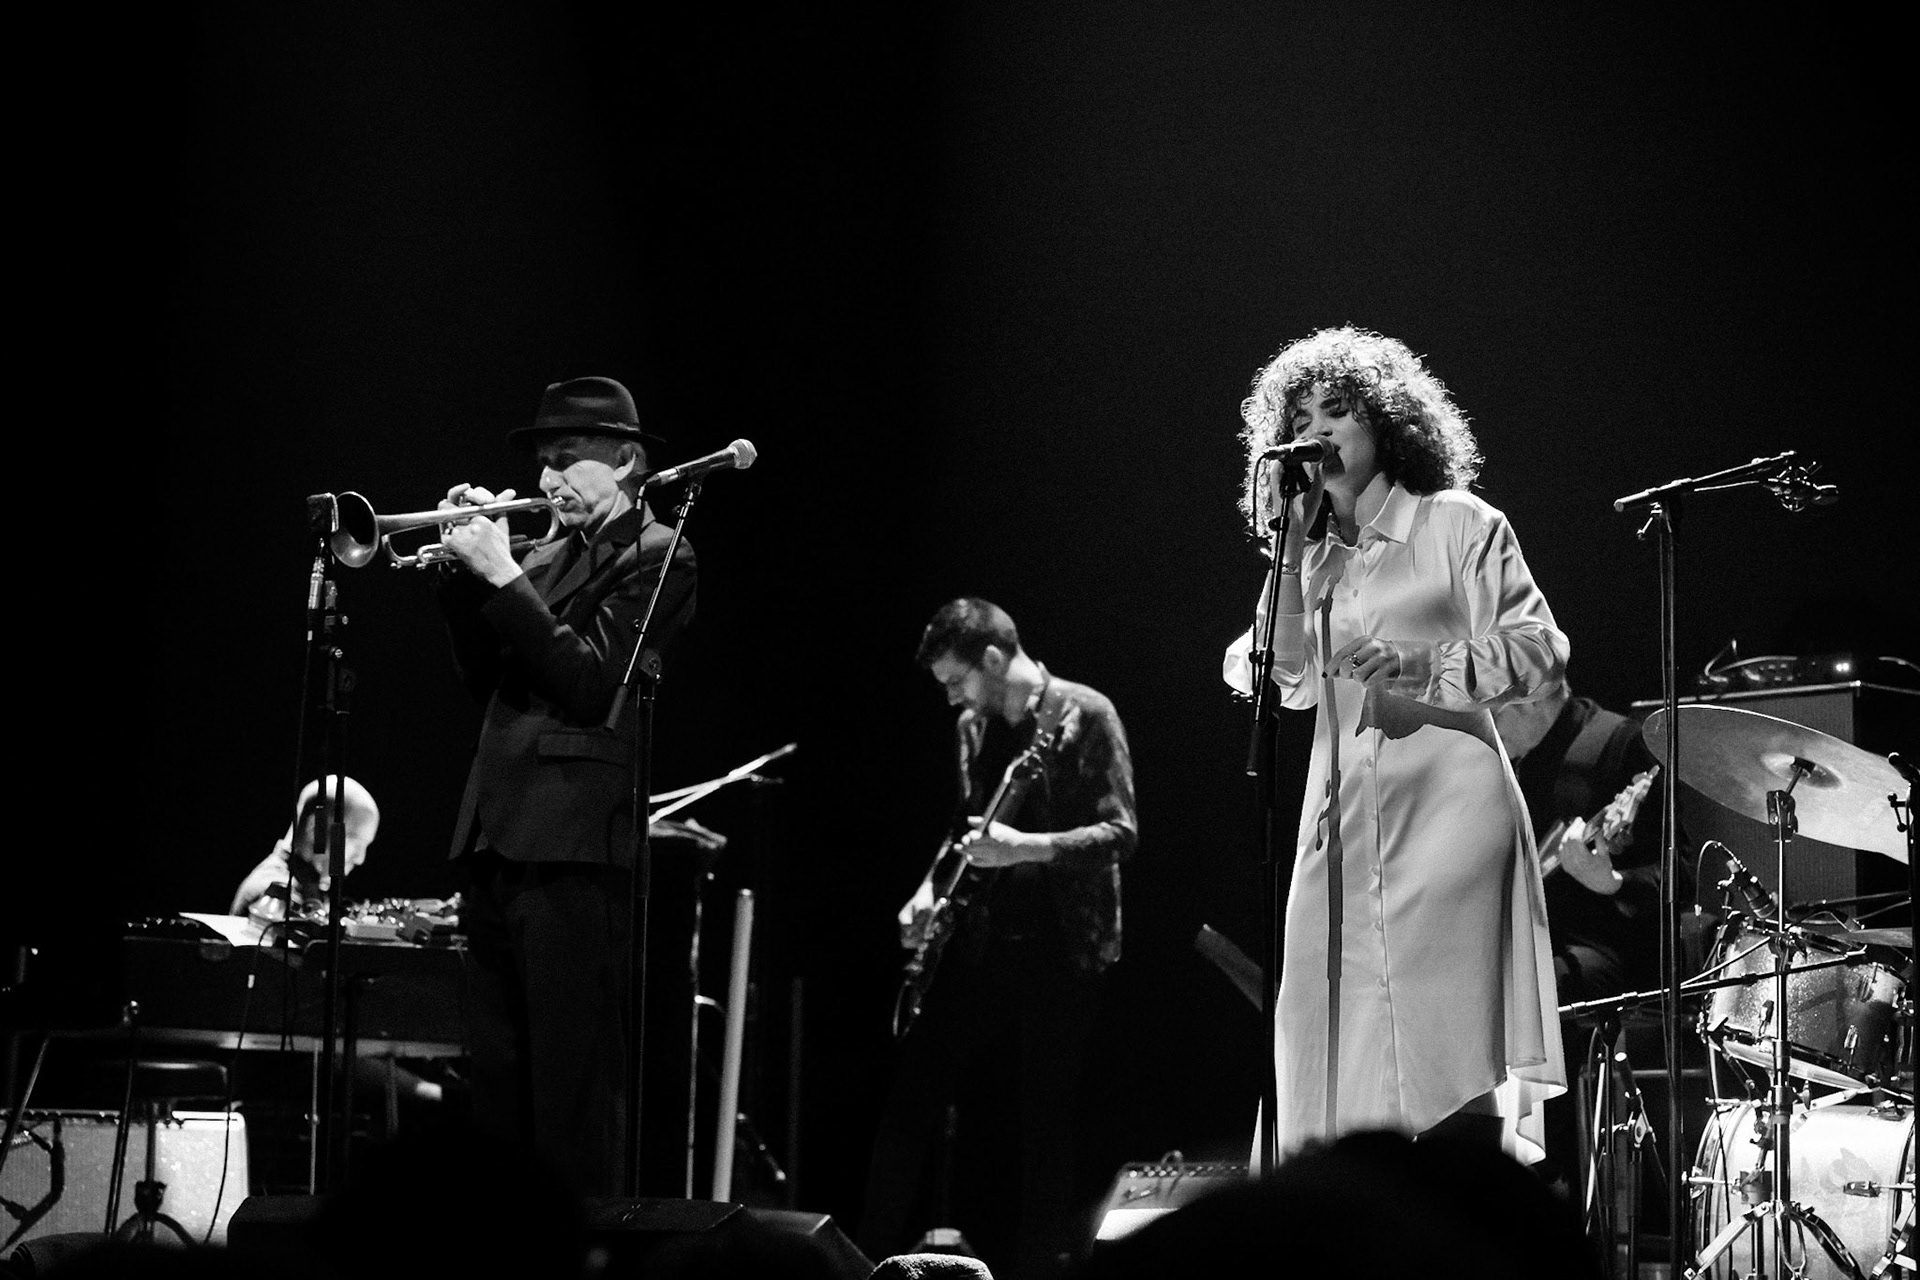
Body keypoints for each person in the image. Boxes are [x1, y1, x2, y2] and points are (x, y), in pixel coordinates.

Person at [1222, 326, 1567, 1163]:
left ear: (1388, 423)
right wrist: (1293, 549)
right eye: (1301, 417)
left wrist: (1424, 663)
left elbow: (1541, 647)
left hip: (1452, 813)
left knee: (1441, 1039)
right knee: (1321, 1031)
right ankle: (1343, 1220)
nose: (1320, 432)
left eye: (1337, 412)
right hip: (1337, 822)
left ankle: (1457, 1213)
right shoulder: (1310, 561)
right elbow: (1287, 679)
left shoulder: (1457, 524)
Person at [433, 375, 697, 1196]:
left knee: (571, 1090)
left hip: (577, 841)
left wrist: (503, 578)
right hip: (495, 830)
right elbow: (490, 682)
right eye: (543, 462)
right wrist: (460, 577)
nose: (547, 481)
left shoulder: (661, 554)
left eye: (567, 460)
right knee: (500, 1086)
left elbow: (592, 689)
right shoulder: (543, 555)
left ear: (624, 461)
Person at [861, 599, 1137, 1280]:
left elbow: (1121, 833)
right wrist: (927, 890)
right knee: (909, 1095)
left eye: (957, 680)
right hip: (986, 944)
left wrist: (1028, 849)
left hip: (1065, 949)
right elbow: (967, 826)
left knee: (1044, 1124)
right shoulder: (972, 728)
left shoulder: (1086, 714)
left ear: (991, 658)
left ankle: (1036, 1273)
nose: (952, 696)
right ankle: (864, 1263)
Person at [230, 775, 380, 923]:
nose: (360, 858)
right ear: (315, 829)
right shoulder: (274, 897)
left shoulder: (308, 887)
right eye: (355, 841)